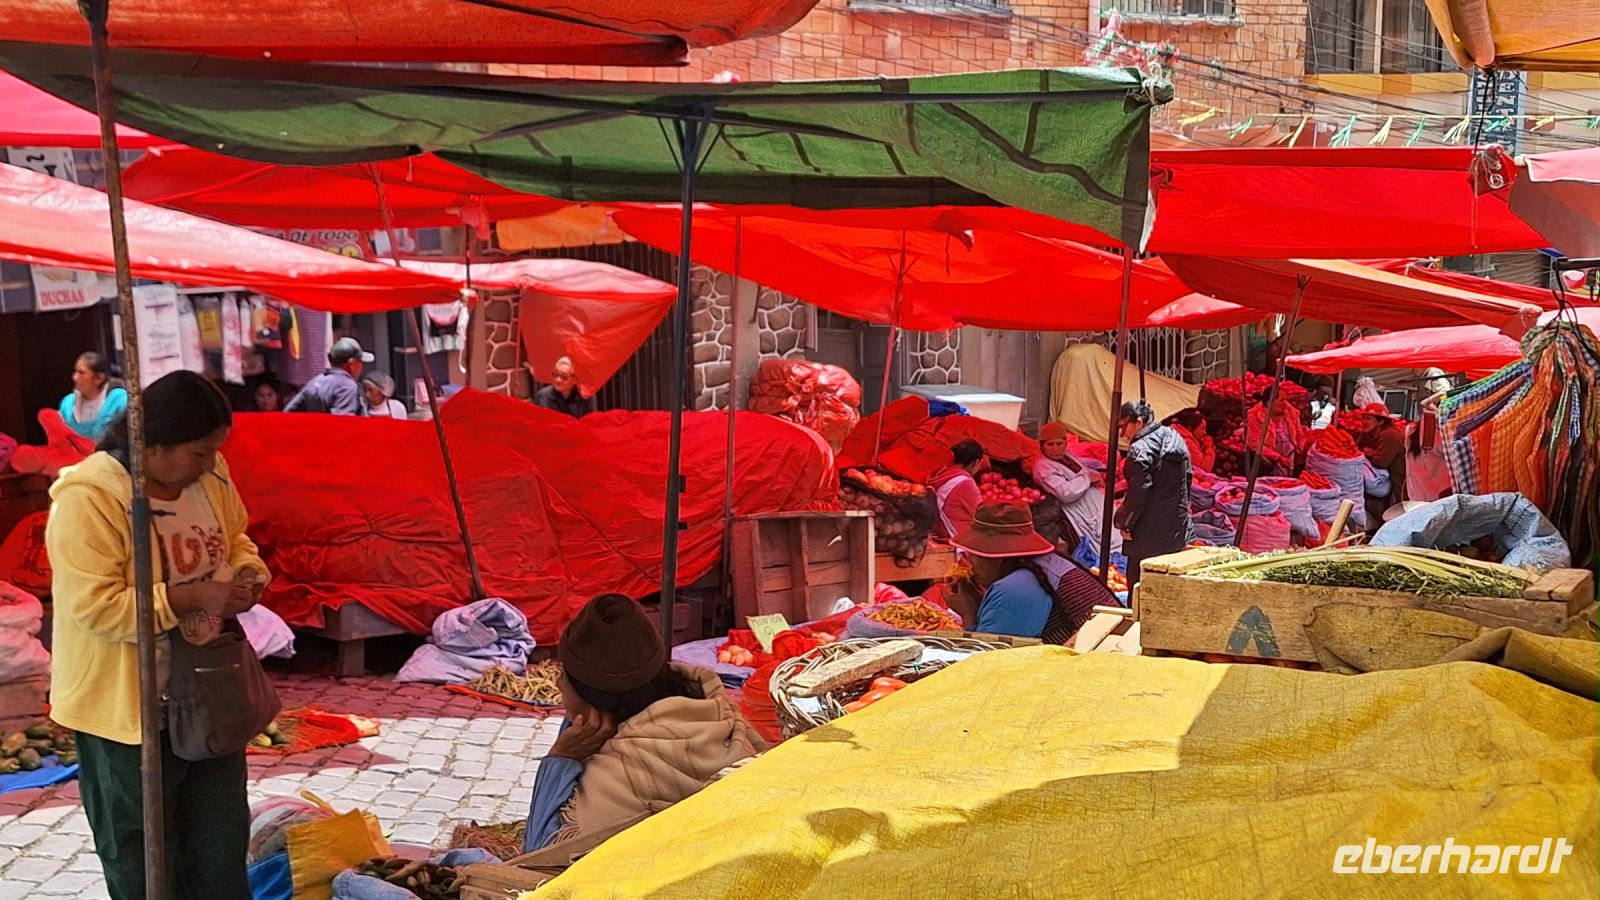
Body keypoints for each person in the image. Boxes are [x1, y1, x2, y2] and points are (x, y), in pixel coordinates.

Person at [45, 370, 267, 899]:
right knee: (144, 862)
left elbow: (236, 539)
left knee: (218, 850)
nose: (211, 462)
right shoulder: (89, 497)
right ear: (154, 446)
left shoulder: (210, 479)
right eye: (198, 452)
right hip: (124, 712)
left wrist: (246, 574)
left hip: (207, 697)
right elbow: (94, 608)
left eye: (216, 449)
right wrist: (187, 598)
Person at [521, 595, 765, 861]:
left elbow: (536, 863)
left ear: (592, 704)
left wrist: (560, 758)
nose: (557, 685)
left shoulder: (616, 775)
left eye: (563, 678)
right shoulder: (718, 713)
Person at [946, 501, 1057, 638]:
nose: (969, 562)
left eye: (973, 554)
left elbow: (984, 655)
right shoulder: (1044, 566)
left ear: (995, 557)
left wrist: (968, 615)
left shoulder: (1011, 592)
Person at [1114, 400, 1194, 584]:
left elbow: (1139, 491)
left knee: (1140, 583)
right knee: (1168, 583)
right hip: (1175, 528)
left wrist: (1125, 523)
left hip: (1147, 533)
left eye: (1123, 426)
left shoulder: (1139, 449)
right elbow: (1188, 478)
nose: (1123, 435)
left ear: (1139, 422)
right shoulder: (1175, 437)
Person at [1031, 422, 1119, 556]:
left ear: (1065, 443)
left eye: (1059, 444)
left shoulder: (1066, 455)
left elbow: (1080, 471)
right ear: (1042, 446)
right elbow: (1065, 493)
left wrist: (1093, 474)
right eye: (1050, 444)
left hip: (1095, 505)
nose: (1055, 449)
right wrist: (1088, 478)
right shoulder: (1042, 466)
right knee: (1107, 543)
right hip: (1079, 511)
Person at [283, 337, 373, 415]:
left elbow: (288, 413)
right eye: (360, 362)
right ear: (351, 364)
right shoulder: (347, 387)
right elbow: (343, 426)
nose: (362, 366)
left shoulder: (315, 381)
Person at [58, 351, 128, 442]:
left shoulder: (120, 400)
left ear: (99, 378)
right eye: (75, 371)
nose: (74, 377)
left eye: (81, 373)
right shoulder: (67, 403)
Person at [1357, 403, 1408, 527]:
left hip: (1399, 485)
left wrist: (1370, 453)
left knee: (1395, 518)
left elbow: (1381, 462)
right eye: (1363, 418)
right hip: (1394, 483)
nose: (1364, 422)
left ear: (1380, 422)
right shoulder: (1382, 433)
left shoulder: (1388, 435)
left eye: (1368, 419)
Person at [928, 438, 986, 542]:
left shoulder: (942, 473)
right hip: (956, 535)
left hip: (939, 530)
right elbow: (981, 514)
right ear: (975, 462)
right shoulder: (965, 483)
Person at [1242, 391, 1306, 477]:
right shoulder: (1256, 416)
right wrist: (1278, 457)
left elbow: (1299, 434)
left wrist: (1301, 445)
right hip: (1267, 462)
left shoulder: (1291, 413)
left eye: (1286, 400)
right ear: (1269, 403)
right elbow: (1255, 444)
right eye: (1281, 400)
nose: (1285, 404)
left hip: (1290, 458)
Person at [533, 357, 597, 419]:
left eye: (564, 377)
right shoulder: (543, 396)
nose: (558, 380)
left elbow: (590, 424)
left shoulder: (587, 397)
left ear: (575, 379)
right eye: (555, 374)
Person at [1164, 408, 1215, 473]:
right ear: (1190, 427)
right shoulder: (1187, 442)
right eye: (1202, 428)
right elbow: (1204, 468)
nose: (1204, 432)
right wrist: (1209, 447)